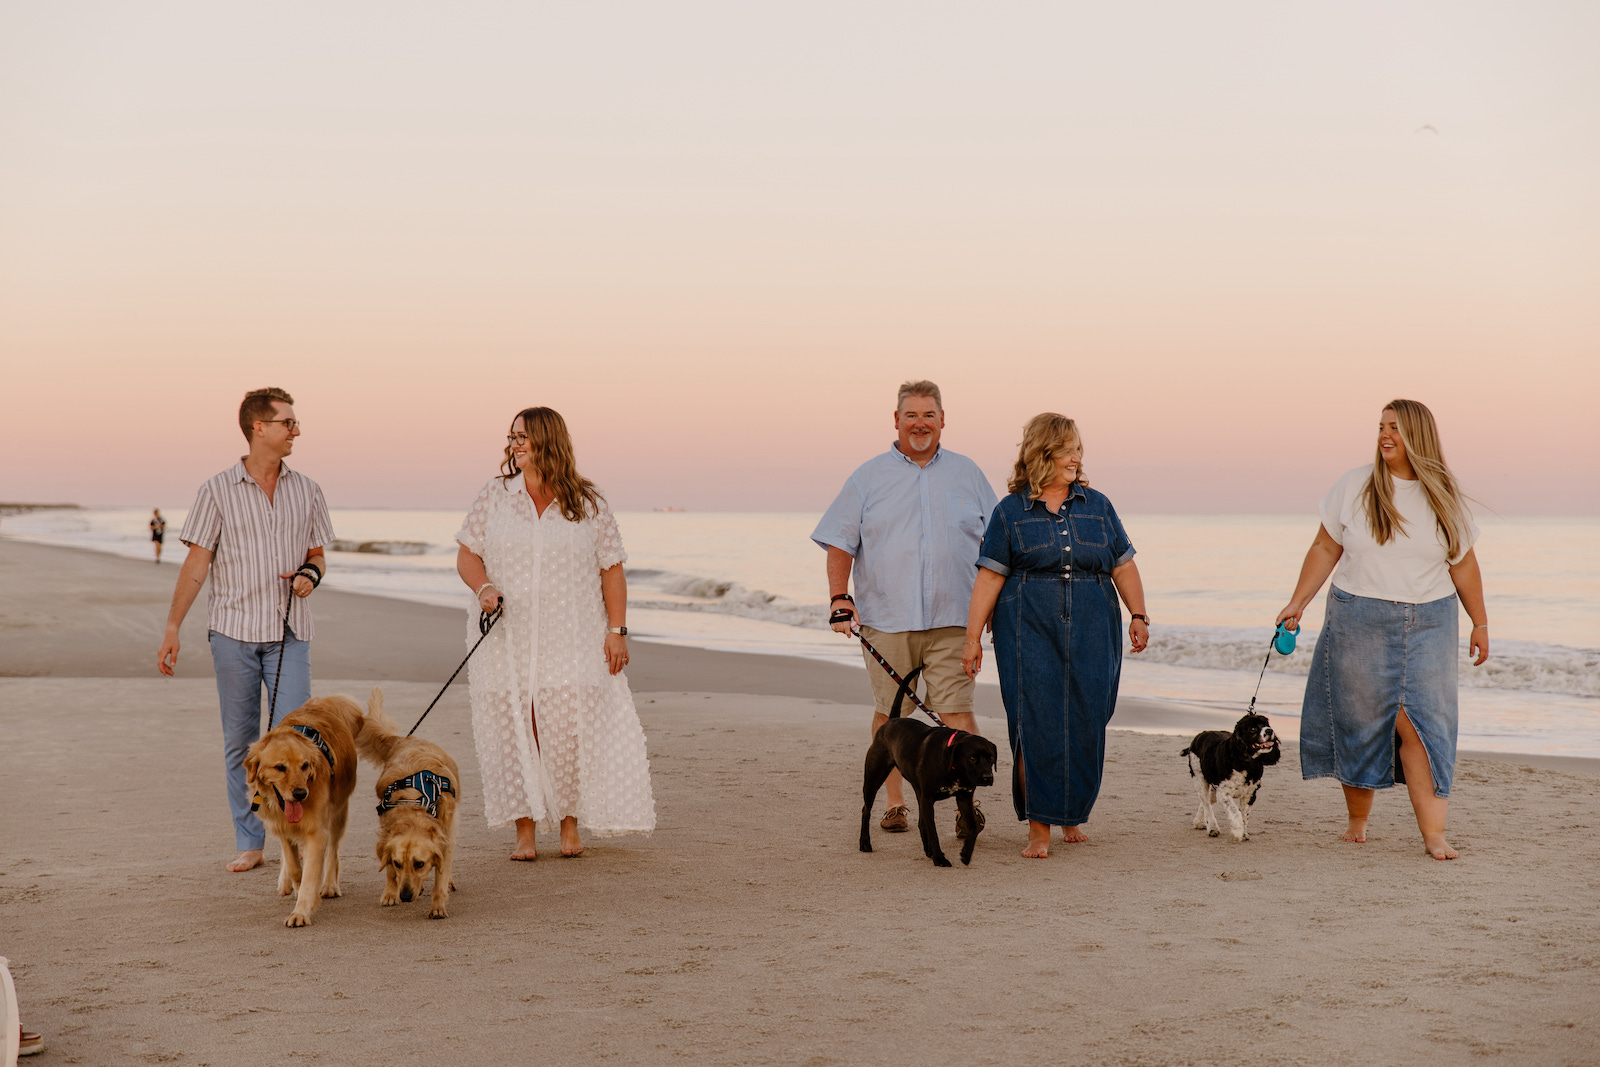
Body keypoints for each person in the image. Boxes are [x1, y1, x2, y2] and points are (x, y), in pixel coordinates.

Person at [1276, 399, 1487, 861]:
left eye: (1394, 427)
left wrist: (1481, 622)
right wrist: (1298, 601)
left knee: (1424, 725)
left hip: (1430, 620)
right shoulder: (1356, 485)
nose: (1384, 435)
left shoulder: (1444, 495)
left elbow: (1464, 564)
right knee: (1362, 720)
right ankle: (1357, 821)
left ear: (1418, 435)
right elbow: (1324, 547)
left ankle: (1434, 835)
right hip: (1359, 617)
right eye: (1380, 427)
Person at [455, 406, 655, 861]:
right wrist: (484, 586)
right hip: (508, 636)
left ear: (548, 439)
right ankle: (524, 830)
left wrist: (617, 629)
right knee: (515, 726)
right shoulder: (496, 495)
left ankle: (568, 824)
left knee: (566, 728)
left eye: (522, 436)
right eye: (512, 437)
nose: (515, 444)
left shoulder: (588, 500)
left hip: (573, 633)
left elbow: (612, 568)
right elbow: (468, 555)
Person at [156, 387, 333, 873]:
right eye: (288, 422)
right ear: (260, 428)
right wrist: (174, 626)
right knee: (242, 742)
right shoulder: (216, 490)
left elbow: (318, 554)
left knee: (298, 740)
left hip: (289, 633)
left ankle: (297, 837)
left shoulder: (308, 490)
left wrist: (310, 576)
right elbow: (197, 563)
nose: (296, 430)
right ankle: (251, 839)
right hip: (232, 633)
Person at [812, 380, 998, 837]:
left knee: (956, 712)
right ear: (896, 420)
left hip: (956, 619)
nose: (920, 424)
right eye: (910, 415)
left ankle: (962, 805)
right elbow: (840, 540)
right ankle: (895, 804)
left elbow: (997, 545)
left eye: (928, 415)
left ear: (942, 420)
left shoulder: (967, 473)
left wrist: (997, 607)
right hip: (887, 618)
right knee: (892, 716)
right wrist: (840, 597)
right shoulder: (868, 476)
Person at [961, 414, 1149, 858]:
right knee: (1036, 722)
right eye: (1067, 449)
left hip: (1093, 625)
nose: (1076, 457)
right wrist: (972, 639)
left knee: (1088, 719)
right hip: (1028, 627)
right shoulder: (1010, 511)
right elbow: (990, 578)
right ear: (1042, 453)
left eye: (1078, 448)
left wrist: (1138, 614)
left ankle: (1070, 816)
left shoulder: (1097, 505)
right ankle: (1040, 826)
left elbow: (1122, 564)